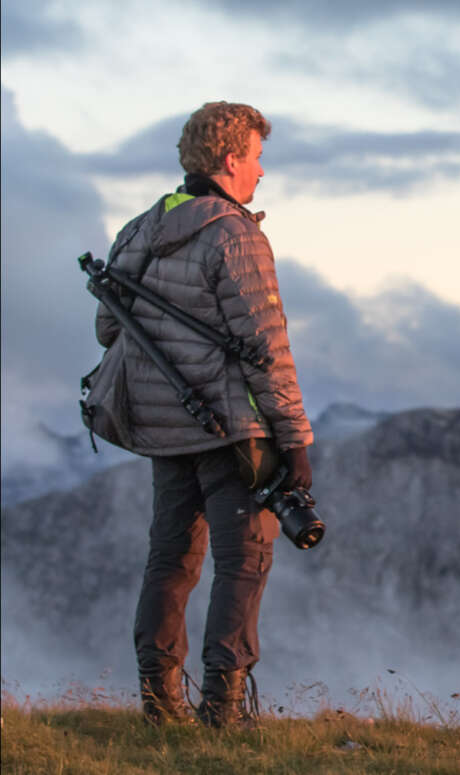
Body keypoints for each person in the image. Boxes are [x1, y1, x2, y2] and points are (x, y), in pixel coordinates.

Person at [94, 101, 313, 726]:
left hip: (163, 428)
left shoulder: (140, 228)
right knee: (244, 559)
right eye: (257, 158)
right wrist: (295, 439)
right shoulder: (235, 234)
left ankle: (160, 705)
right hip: (230, 431)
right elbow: (267, 347)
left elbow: (110, 324)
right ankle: (223, 707)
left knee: (170, 560)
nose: (262, 173)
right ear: (230, 159)